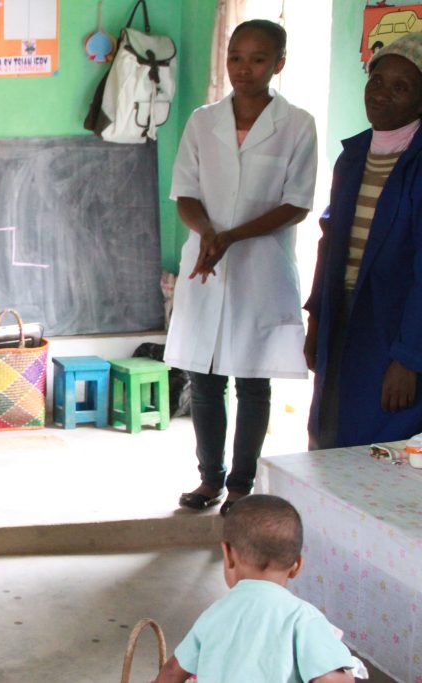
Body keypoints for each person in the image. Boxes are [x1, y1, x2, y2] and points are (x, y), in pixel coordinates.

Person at [166, 20, 318, 515]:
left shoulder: (297, 124)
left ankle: (241, 485)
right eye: (235, 57)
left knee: (253, 380)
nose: (243, 69)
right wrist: (207, 232)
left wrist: (230, 236)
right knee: (205, 379)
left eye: (257, 58)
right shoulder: (202, 120)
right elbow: (184, 191)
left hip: (260, 268)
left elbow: (296, 203)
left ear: (279, 64)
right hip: (205, 264)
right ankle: (209, 481)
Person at [305, 32, 422, 449]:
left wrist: (409, 359)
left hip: (395, 326)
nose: (381, 94)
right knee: (329, 432)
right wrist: (317, 318)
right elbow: (330, 244)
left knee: (381, 441)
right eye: (376, 80)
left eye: (400, 86)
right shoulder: (353, 156)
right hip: (343, 314)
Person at [154, 495, 357, 682]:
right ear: (296, 565)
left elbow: (172, 672)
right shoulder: (302, 617)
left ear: (228, 555)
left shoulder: (214, 615)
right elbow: (333, 680)